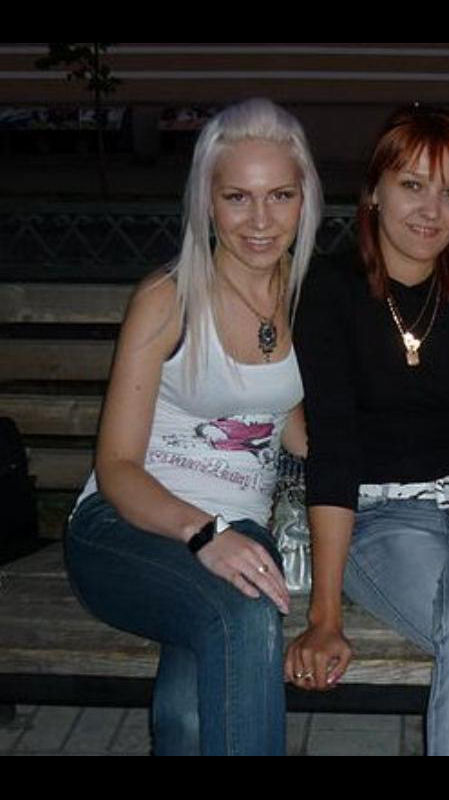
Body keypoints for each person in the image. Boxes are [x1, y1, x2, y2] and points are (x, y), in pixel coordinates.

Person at [285, 104, 449, 756]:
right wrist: (324, 617)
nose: (432, 210)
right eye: (412, 185)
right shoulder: (330, 292)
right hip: (381, 522)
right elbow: (334, 450)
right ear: (374, 191)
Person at [65, 98, 323, 756]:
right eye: (238, 197)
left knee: (188, 719)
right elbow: (117, 466)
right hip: (126, 528)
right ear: (207, 201)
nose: (261, 221)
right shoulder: (168, 299)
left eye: (280, 196)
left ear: (305, 201)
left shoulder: (308, 300)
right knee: (246, 612)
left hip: (240, 531)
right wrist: (203, 533)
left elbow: (298, 430)